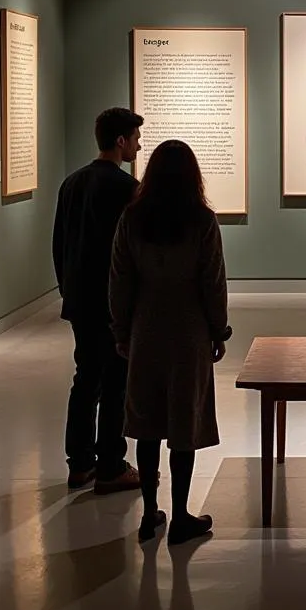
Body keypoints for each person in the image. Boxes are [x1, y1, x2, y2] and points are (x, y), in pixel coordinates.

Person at [109, 140, 231, 545]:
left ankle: (148, 514)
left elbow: (120, 281)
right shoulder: (201, 220)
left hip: (146, 329)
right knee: (183, 422)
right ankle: (179, 515)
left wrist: (122, 330)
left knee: (146, 425)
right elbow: (212, 282)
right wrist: (219, 330)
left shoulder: (133, 218)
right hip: (189, 332)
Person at [53, 107, 143, 493]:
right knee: (116, 382)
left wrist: (67, 288)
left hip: (80, 300)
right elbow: (132, 252)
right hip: (111, 302)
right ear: (120, 141)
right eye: (136, 138)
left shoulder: (72, 183)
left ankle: (79, 464)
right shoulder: (126, 189)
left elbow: (60, 244)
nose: (139, 144)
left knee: (85, 377)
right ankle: (110, 463)